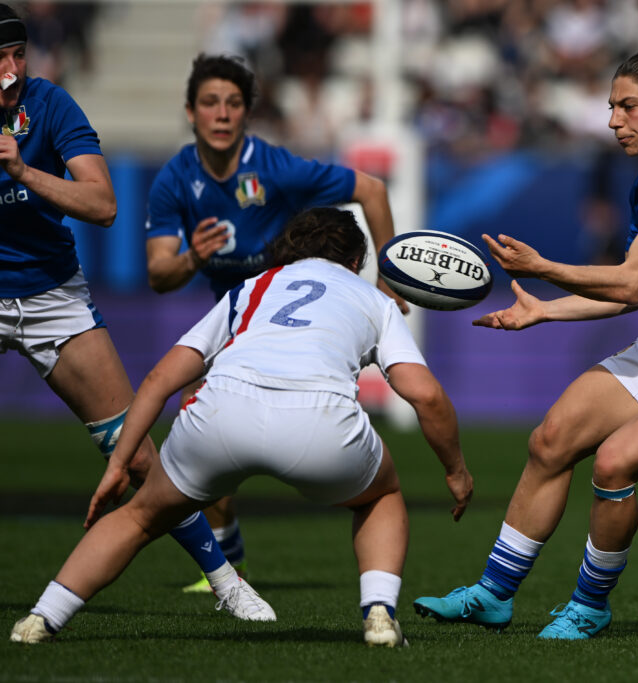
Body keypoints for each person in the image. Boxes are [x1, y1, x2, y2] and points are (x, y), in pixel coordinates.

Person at [413, 34, 638, 640]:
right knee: (551, 439)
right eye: (610, 107)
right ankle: (493, 595)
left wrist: (546, 268)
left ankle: (589, 605)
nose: (612, 121)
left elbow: (632, 286)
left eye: (626, 106)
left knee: (613, 463)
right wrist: (545, 311)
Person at [10, 207, 473, 646]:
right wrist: (455, 470)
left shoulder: (252, 287)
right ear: (356, 261)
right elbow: (425, 395)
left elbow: (158, 382)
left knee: (139, 516)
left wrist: (119, 464)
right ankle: (378, 612)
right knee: (381, 497)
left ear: (287, 250)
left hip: (222, 411)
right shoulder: (375, 299)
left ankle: (42, 617)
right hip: (320, 424)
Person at [0, 4, 272, 622]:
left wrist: (22, 169)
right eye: (1, 59)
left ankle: (227, 582)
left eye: (19, 54)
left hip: (49, 297)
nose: (13, 70)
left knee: (138, 453)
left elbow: (102, 204)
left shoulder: (49, 105)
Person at [144, 53, 410, 593]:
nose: (222, 114)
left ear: (246, 113)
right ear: (190, 112)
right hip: (231, 319)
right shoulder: (174, 179)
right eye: (210, 103)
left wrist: (389, 277)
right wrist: (193, 258)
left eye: (234, 103)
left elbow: (373, 190)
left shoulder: (275, 168)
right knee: (196, 425)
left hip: (288, 325)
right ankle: (229, 560)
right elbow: (159, 274)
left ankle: (232, 555)